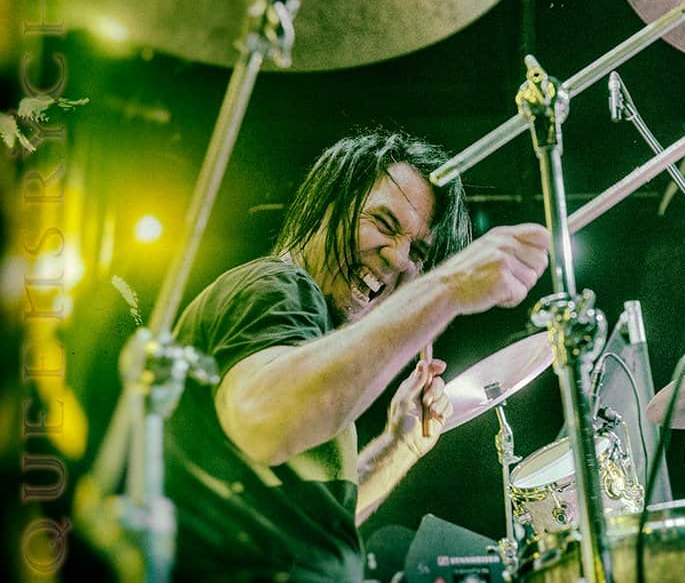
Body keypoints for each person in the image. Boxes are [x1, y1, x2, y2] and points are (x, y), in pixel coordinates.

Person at [163, 130, 550, 582]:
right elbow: (262, 420)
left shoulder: (306, 345)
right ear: (328, 204)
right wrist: (446, 287)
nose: (400, 259)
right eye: (384, 224)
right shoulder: (278, 288)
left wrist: (398, 447)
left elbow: (313, 528)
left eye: (420, 253)